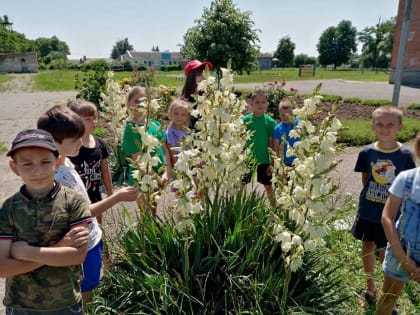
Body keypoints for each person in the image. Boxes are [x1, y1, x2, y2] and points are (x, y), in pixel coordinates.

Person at [37, 105, 139, 303]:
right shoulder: (58, 176)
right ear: (53, 142)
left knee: (89, 283)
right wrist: (116, 197)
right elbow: (83, 212)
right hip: (81, 244)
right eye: (74, 140)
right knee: (83, 289)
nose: (80, 143)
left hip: (90, 237)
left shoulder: (65, 162)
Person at [0, 128, 91, 314]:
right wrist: (58, 248)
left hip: (65, 303)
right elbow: (2, 268)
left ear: (58, 162)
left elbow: (76, 256)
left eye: (45, 162)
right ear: (14, 168)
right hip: (20, 305)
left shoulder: (73, 201)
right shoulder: (8, 208)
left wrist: (24, 252)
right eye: (27, 164)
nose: (37, 171)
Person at [350, 105, 416, 307]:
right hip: (368, 212)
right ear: (372, 126)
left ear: (400, 127)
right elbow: (365, 179)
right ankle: (370, 286)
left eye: (390, 124)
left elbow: (408, 185)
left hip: (392, 217)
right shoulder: (366, 152)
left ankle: (388, 293)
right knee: (367, 246)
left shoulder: (406, 156)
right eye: (379, 124)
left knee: (388, 252)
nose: (384, 128)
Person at [376, 133, 420, 315]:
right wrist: (404, 259)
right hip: (399, 252)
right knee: (388, 296)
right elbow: (387, 217)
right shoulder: (407, 179)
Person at [121, 86, 172, 214]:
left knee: (153, 211)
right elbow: (138, 160)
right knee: (146, 215)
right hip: (143, 178)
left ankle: (153, 234)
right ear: (128, 104)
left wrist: (166, 172)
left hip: (159, 174)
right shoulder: (131, 129)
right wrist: (157, 179)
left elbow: (165, 150)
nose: (140, 104)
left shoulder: (155, 124)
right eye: (136, 101)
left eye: (144, 101)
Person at [68, 99, 113, 224]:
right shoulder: (71, 147)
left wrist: (110, 193)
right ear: (75, 121)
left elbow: (105, 169)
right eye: (88, 119)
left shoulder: (100, 143)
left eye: (95, 118)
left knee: (98, 225)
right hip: (77, 196)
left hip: (95, 193)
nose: (93, 122)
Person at [242, 89, 276, 200]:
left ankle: (274, 208)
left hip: (264, 160)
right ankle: (236, 208)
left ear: (267, 104)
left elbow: (272, 143)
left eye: (263, 102)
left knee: (268, 185)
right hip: (247, 159)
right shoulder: (244, 121)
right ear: (251, 104)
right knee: (240, 185)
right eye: (257, 102)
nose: (260, 105)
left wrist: (272, 162)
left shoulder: (270, 122)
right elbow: (240, 140)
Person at [181, 59, 213, 129]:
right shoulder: (183, 102)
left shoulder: (208, 96)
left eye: (205, 73)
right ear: (191, 77)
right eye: (199, 74)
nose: (204, 77)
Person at [273, 99, 300, 167]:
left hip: (300, 162)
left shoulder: (300, 125)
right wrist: (278, 166)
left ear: (293, 113)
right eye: (283, 115)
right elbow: (276, 150)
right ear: (279, 114)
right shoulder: (278, 129)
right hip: (286, 164)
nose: (286, 117)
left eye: (288, 115)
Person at [166, 99, 191, 167]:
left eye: (183, 114)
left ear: (187, 117)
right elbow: (172, 154)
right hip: (179, 167)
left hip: (189, 165)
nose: (179, 117)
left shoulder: (186, 131)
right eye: (176, 113)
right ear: (170, 113)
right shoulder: (170, 132)